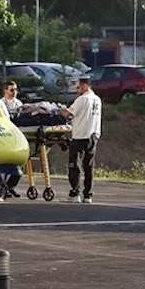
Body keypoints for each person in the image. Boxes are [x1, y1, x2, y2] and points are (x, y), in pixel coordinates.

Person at [59, 75, 101, 203]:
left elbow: (68, 113)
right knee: (89, 166)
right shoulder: (97, 99)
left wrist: (59, 109)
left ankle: (74, 193)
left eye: (78, 87)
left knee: (74, 165)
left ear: (84, 85)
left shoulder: (82, 99)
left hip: (80, 135)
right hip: (93, 134)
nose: (77, 90)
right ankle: (88, 194)